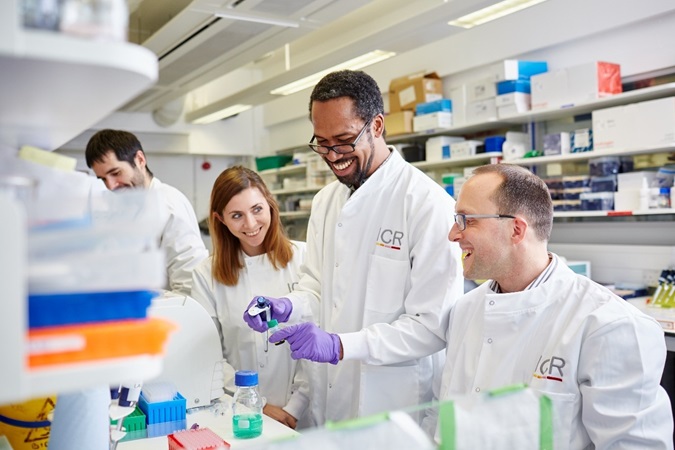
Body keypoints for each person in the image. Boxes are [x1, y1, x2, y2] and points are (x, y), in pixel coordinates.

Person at [244, 70, 464, 429]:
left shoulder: (426, 204)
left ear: (377, 126)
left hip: (391, 402)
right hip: (329, 397)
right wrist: (289, 306)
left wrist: (340, 346)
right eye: (322, 142)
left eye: (344, 140)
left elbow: (431, 327)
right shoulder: (325, 201)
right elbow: (317, 287)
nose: (333, 155)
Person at [439, 163, 673, 448]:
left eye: (467, 220)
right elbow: (445, 420)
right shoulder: (465, 310)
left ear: (516, 230)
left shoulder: (608, 325)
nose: (453, 234)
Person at [191, 166, 309, 429]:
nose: (251, 224)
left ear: (269, 204)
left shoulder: (305, 258)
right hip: (242, 411)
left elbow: (320, 337)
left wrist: (295, 408)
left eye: (257, 209)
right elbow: (209, 357)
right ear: (220, 219)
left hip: (305, 412)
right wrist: (259, 405)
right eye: (237, 215)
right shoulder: (206, 275)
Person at [85, 129, 208, 296]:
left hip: (167, 315)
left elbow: (189, 285)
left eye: (115, 173)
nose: (111, 185)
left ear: (140, 160)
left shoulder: (170, 205)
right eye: (103, 179)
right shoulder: (123, 206)